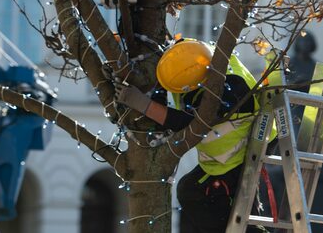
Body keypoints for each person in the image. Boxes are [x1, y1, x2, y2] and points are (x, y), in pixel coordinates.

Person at [114, 38, 274, 233]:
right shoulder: (187, 60)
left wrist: (144, 105)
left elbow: (194, 123)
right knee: (223, 201)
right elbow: (164, 98)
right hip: (226, 159)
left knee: (194, 192)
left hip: (240, 154)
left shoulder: (231, 86)